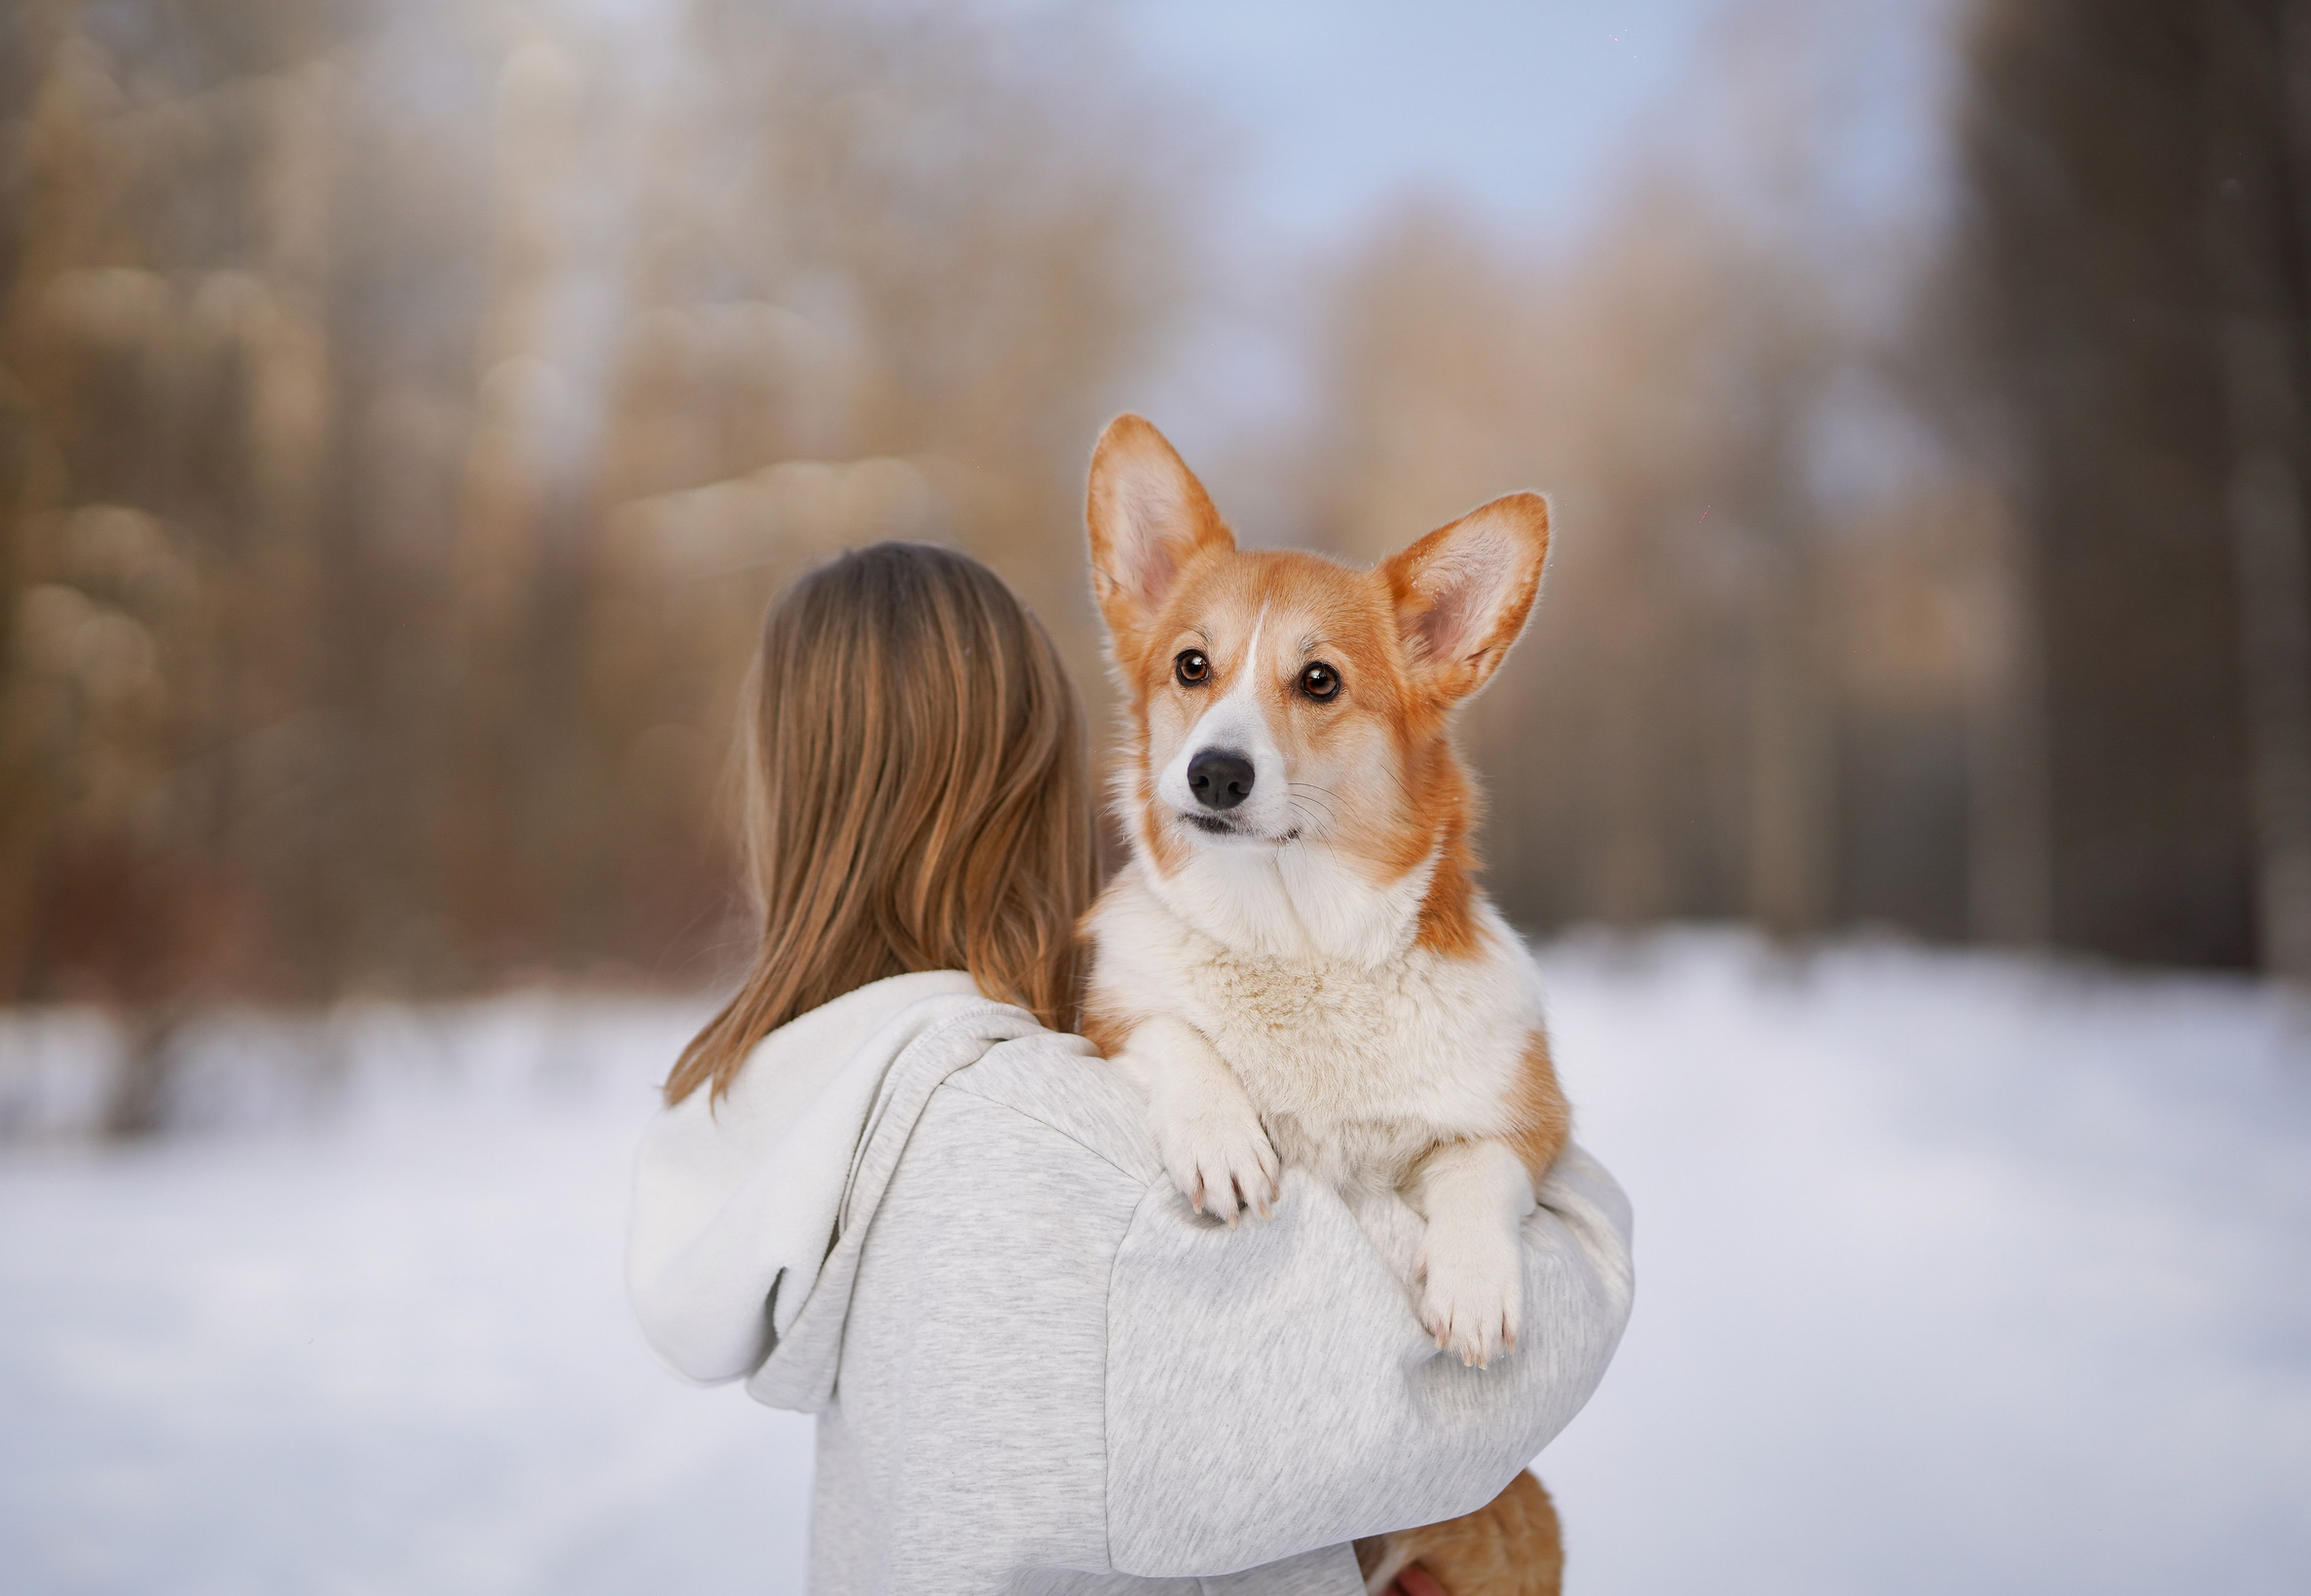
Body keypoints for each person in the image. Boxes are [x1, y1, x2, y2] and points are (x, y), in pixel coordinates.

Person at [626, 541, 1633, 1595]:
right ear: (1038, 769)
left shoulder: (833, 1111)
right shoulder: (1055, 1141)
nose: (1207, 740)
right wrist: (1577, 1225)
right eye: (1186, 677)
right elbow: (1420, 1396)